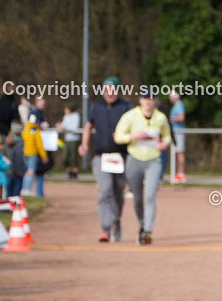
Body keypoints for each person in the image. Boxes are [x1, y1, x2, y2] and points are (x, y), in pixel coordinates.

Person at [113, 87, 172, 245]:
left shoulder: (160, 118)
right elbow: (118, 136)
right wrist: (134, 136)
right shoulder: (130, 116)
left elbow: (167, 135)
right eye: (145, 98)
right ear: (140, 100)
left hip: (153, 160)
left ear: (155, 100)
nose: (148, 101)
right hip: (135, 160)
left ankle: (147, 230)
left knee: (150, 195)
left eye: (151, 98)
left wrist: (164, 143)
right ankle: (142, 224)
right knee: (138, 198)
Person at [79, 76, 132, 242]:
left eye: (113, 89)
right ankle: (106, 228)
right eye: (106, 90)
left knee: (117, 193)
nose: (110, 93)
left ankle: (116, 221)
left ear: (117, 90)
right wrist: (84, 144)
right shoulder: (96, 107)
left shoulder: (126, 107)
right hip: (101, 157)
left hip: (121, 157)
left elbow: (134, 126)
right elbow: (88, 126)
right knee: (105, 190)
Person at [21, 115, 48, 195]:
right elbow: (39, 144)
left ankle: (25, 188)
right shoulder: (36, 130)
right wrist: (44, 155)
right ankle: (27, 189)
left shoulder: (25, 129)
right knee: (30, 171)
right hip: (32, 153)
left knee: (27, 171)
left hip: (24, 153)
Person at [59, 104, 82, 181]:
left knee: (74, 158)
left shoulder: (76, 116)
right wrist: (60, 126)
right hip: (67, 139)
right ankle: (69, 173)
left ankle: (74, 175)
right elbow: (62, 125)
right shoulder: (66, 116)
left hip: (74, 139)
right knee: (65, 158)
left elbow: (74, 128)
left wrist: (65, 127)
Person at [168, 91, 187, 182]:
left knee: (180, 152)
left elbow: (181, 117)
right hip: (175, 132)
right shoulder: (176, 106)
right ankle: (178, 173)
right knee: (177, 152)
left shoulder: (179, 105)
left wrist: (171, 118)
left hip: (178, 132)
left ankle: (181, 173)